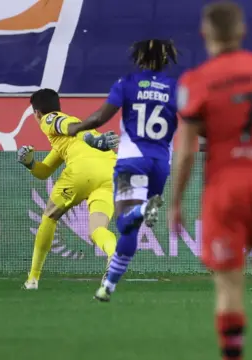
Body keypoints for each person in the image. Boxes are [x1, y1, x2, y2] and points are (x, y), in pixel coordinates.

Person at [169, 2, 252, 360]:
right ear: (242, 32)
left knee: (228, 284)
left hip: (225, 189)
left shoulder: (196, 81)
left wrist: (176, 201)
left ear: (205, 34)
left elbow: (185, 150)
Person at [66, 39, 179, 301]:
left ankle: (142, 208)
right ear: (166, 60)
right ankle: (109, 286)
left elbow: (99, 118)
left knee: (125, 221)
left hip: (132, 160)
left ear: (139, 58)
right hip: (161, 164)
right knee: (132, 230)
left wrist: (76, 128)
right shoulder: (176, 88)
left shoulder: (126, 83)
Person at [18, 88, 120, 290]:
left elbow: (67, 126)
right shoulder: (64, 141)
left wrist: (93, 140)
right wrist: (30, 163)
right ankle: (113, 254)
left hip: (83, 170)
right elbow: (44, 171)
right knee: (98, 229)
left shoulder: (50, 119)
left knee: (49, 216)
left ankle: (32, 279)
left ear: (36, 112)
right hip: (111, 173)